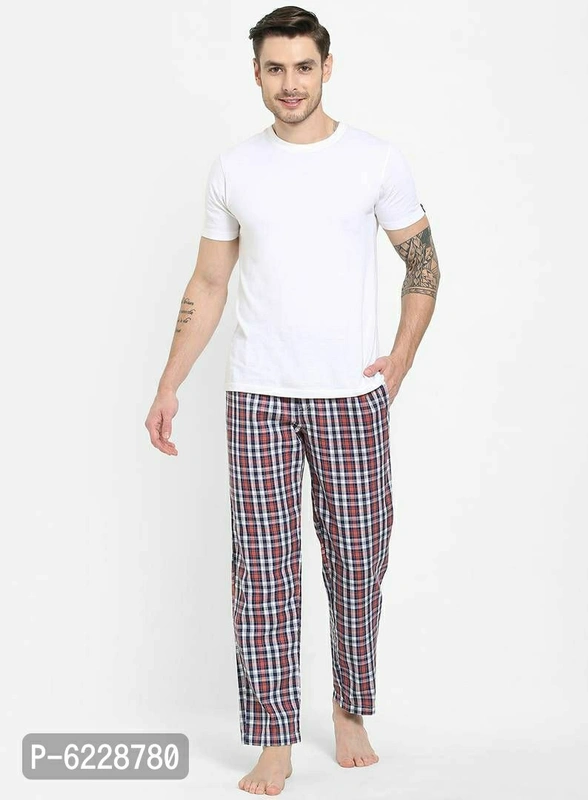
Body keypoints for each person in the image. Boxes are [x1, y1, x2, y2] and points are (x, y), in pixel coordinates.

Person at [145, 5, 440, 795]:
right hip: (259, 395)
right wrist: (169, 383)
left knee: (359, 559)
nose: (290, 83)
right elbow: (210, 282)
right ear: (256, 73)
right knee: (264, 571)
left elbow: (423, 266)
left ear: (326, 68)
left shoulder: (375, 160)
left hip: (350, 396)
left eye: (303, 67)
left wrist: (400, 360)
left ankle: (349, 708)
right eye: (274, 68)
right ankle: (274, 736)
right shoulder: (235, 168)